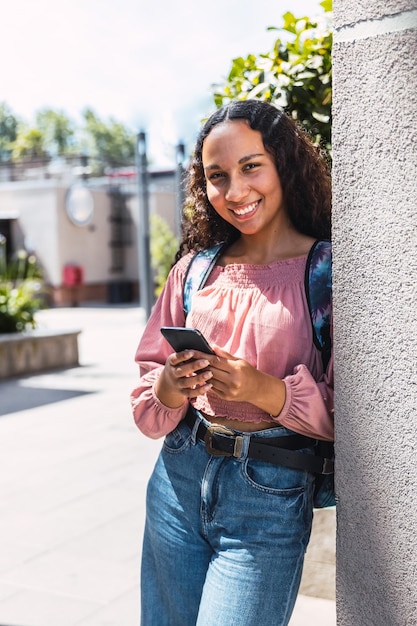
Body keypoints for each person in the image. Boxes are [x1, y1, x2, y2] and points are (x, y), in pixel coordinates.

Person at [131, 99, 333, 626]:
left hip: (268, 498)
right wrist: (171, 387)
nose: (235, 191)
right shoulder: (194, 271)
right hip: (177, 478)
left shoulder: (328, 273)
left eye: (250, 167)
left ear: (284, 163)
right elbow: (148, 386)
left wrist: (265, 391)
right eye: (217, 176)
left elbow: (368, 412)